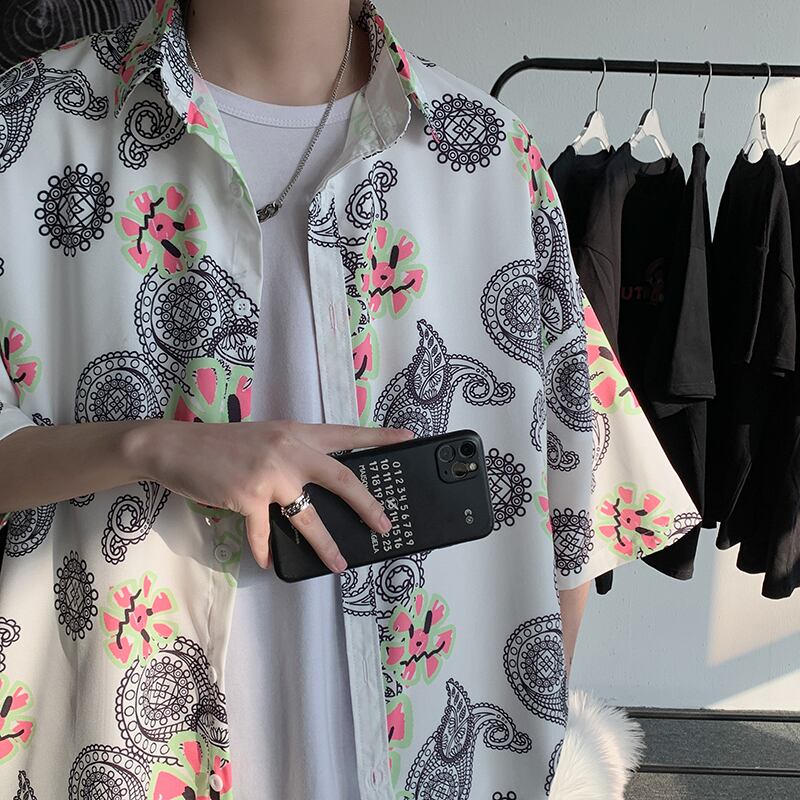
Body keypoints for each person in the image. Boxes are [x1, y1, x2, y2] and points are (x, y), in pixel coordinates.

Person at [0, 0, 698, 797]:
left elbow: (568, 523)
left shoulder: (487, 158)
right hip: (119, 751)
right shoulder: (30, 130)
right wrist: (151, 445)